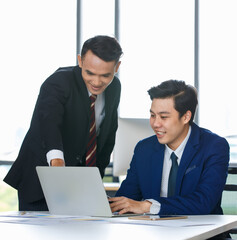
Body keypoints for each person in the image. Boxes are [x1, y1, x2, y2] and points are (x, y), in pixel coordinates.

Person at [4, 35, 123, 211]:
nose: (97, 82)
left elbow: (107, 137)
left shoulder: (114, 87)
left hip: (80, 186)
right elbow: (49, 122)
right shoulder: (59, 81)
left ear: (117, 67)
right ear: (80, 61)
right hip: (41, 183)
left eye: (105, 75)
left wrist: (95, 183)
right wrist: (57, 162)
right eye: (90, 73)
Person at [110, 80, 229, 216]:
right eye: (152, 115)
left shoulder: (213, 146)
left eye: (164, 117)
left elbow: (204, 202)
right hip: (154, 233)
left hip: (203, 233)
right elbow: (126, 198)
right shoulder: (144, 149)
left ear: (186, 117)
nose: (155, 124)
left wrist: (148, 206)